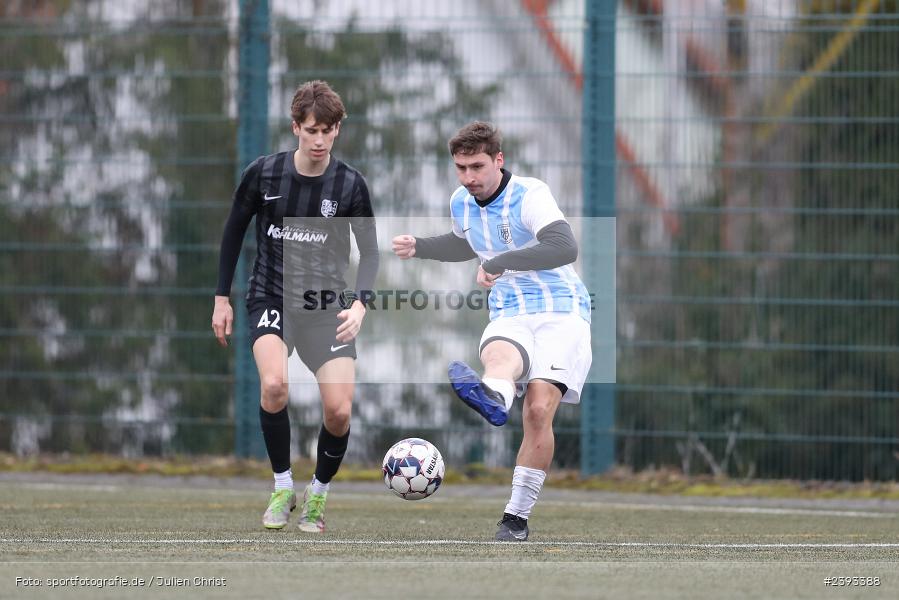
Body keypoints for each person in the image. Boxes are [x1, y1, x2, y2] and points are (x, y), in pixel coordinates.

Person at [392, 121, 591, 541]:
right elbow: (470, 243)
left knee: (538, 409)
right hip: (510, 309)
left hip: (561, 309)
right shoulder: (461, 201)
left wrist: (501, 263)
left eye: (477, 166)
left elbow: (564, 246)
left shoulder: (529, 194)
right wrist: (423, 246)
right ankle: (494, 400)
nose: (469, 177)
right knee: (499, 359)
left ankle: (516, 518)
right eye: (461, 168)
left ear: (498, 160)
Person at [212, 80, 378, 533]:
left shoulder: (350, 185)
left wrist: (361, 305)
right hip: (271, 297)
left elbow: (371, 252)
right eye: (311, 130)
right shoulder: (263, 174)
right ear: (295, 128)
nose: (319, 140)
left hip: (327, 307)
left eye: (327, 130)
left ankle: (317, 497)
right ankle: (283, 485)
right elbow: (232, 233)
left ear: (338, 129)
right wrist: (221, 297)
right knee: (273, 386)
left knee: (339, 411)